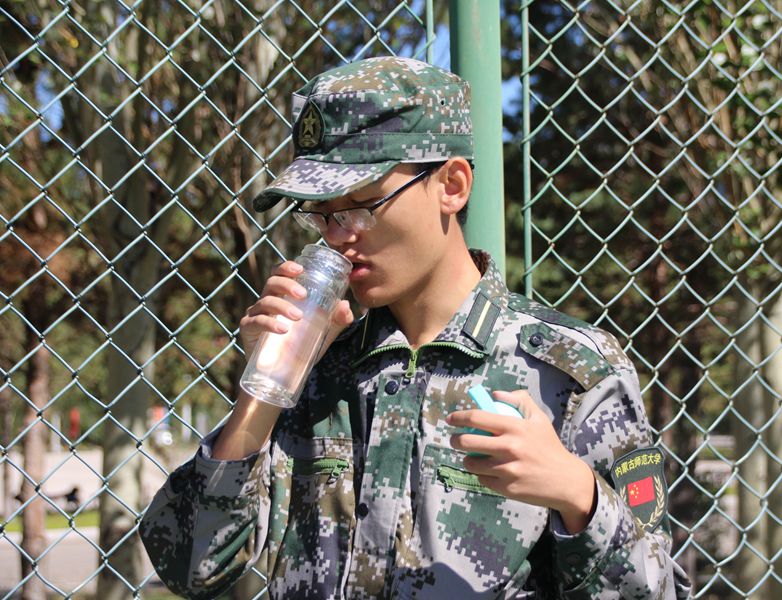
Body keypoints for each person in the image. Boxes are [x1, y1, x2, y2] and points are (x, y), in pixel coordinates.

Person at [140, 56, 691, 600]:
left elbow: (657, 590)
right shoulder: (316, 366)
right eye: (322, 214)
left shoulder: (570, 371)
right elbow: (192, 567)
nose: (338, 237)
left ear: (451, 184)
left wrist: (579, 496)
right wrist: (265, 389)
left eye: (361, 206)